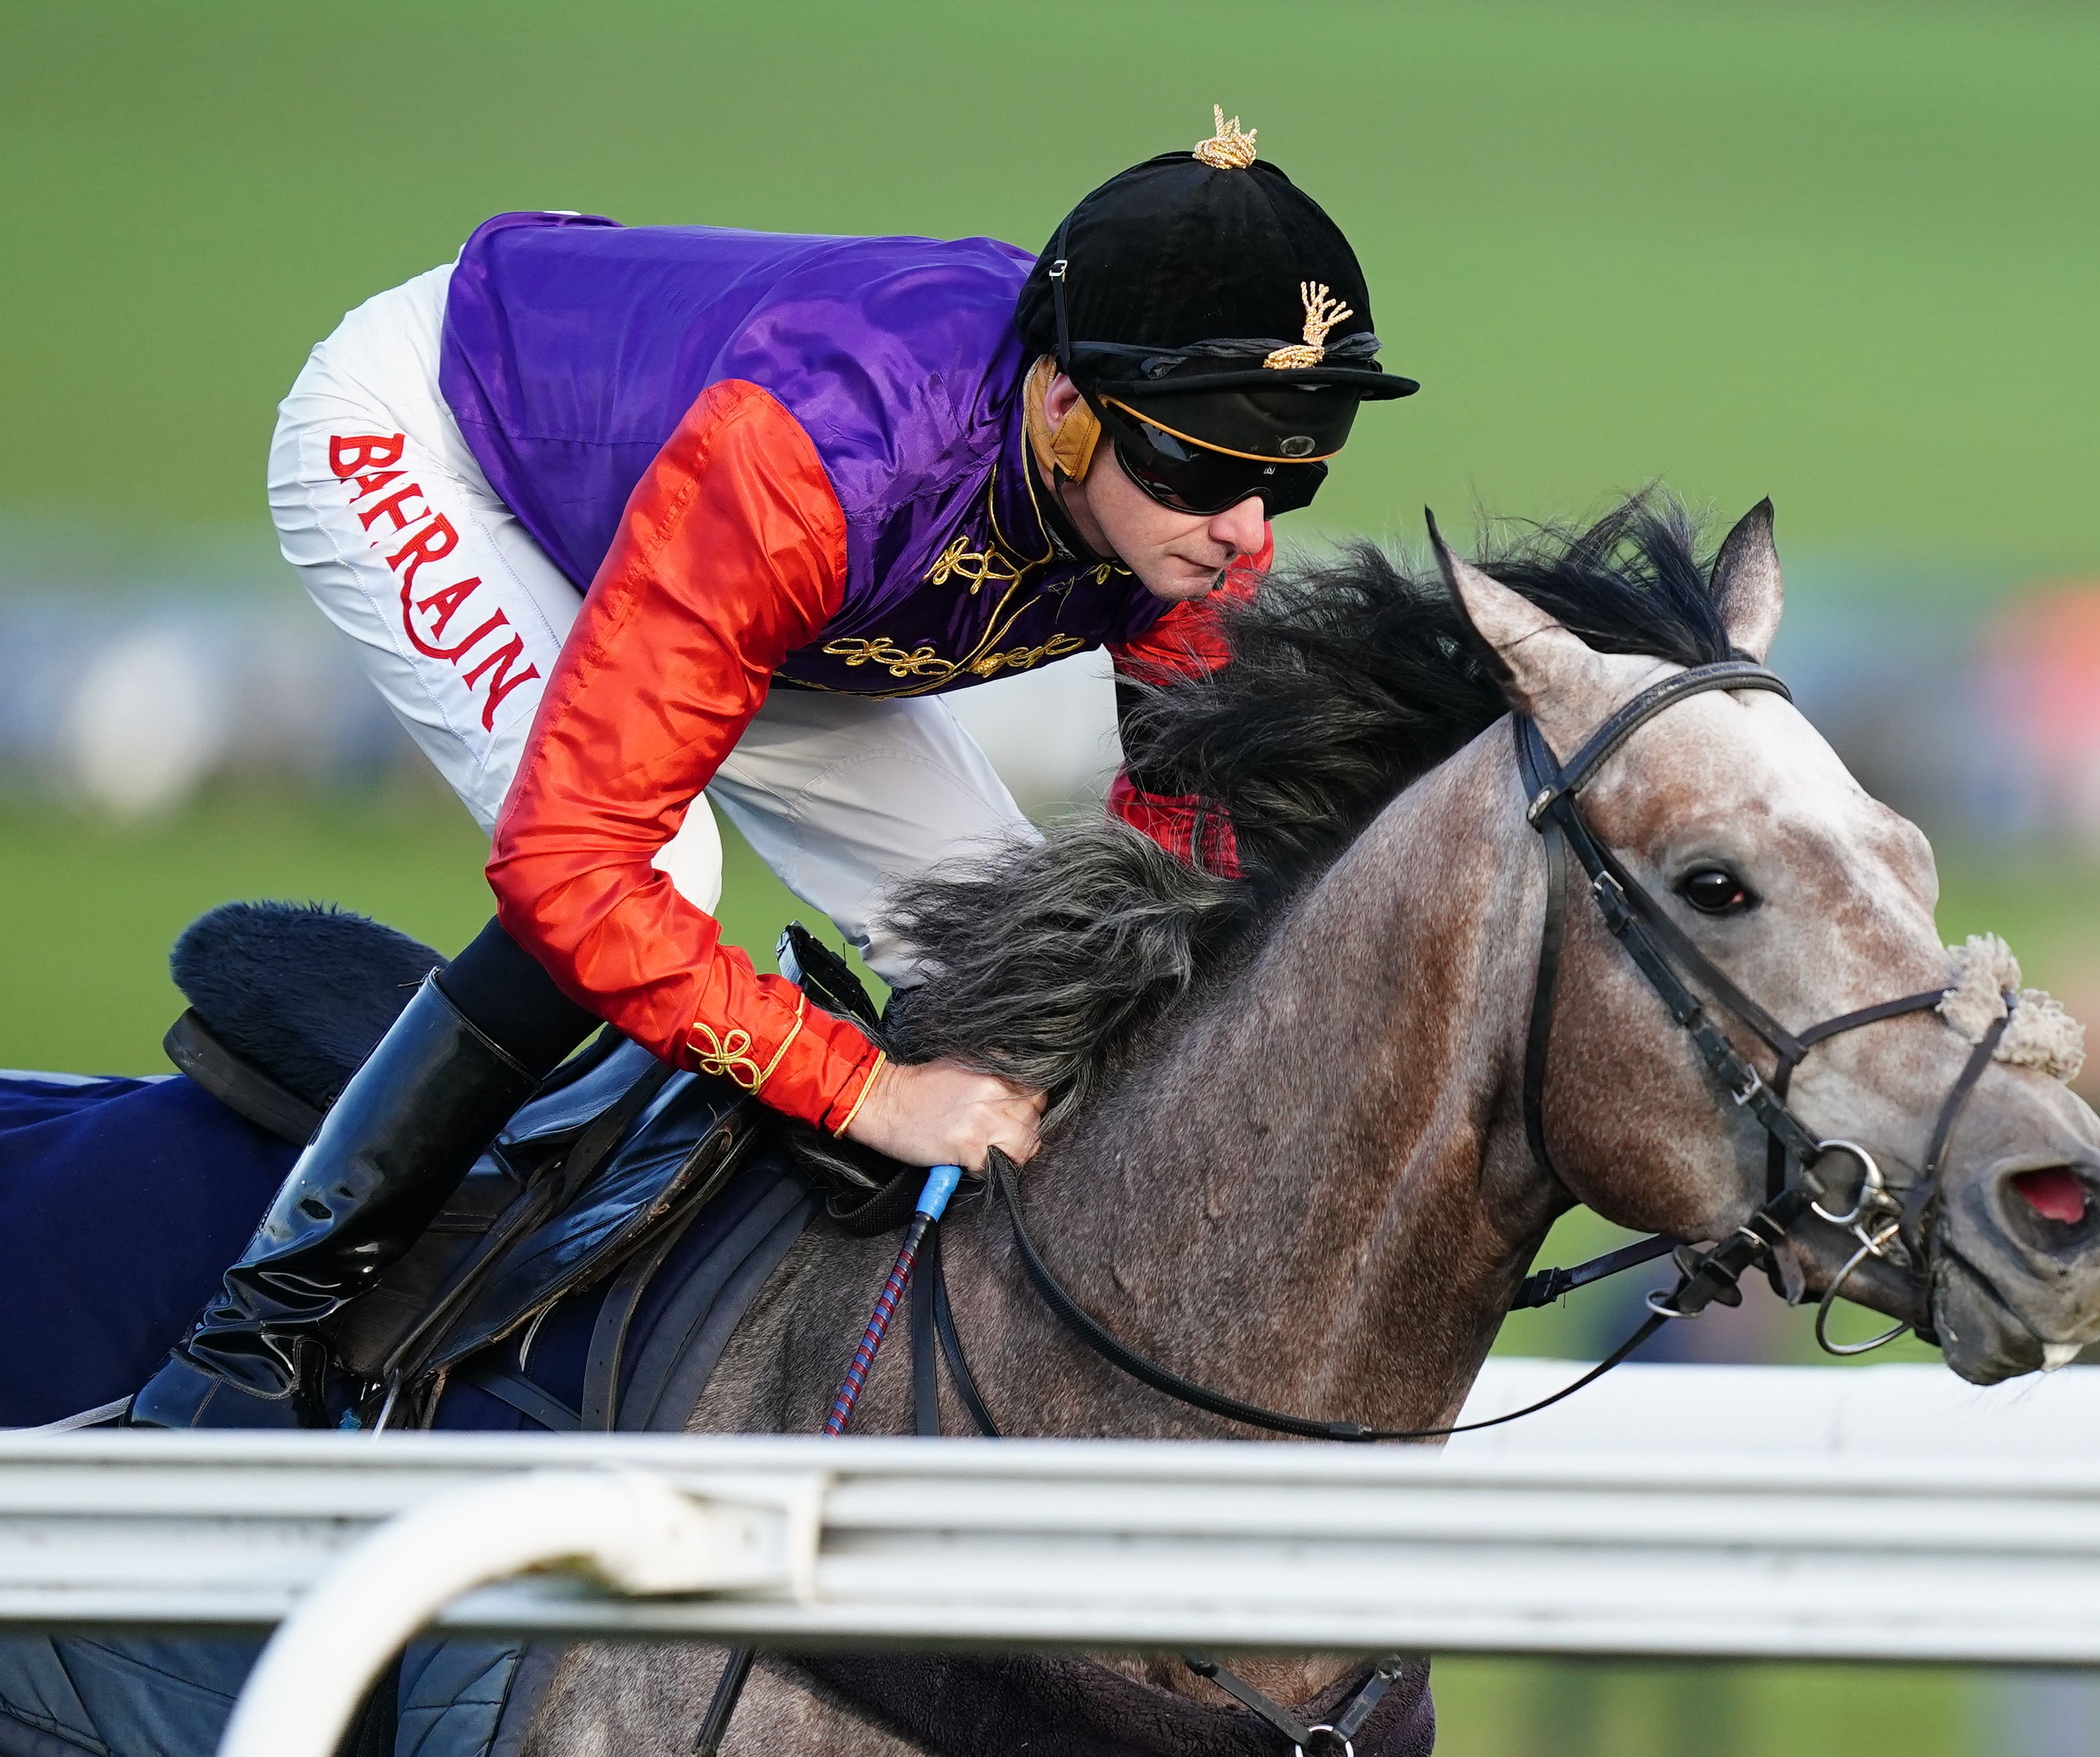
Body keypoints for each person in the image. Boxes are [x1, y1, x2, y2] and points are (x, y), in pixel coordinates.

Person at [131, 107, 1418, 1425]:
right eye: (1203, 466)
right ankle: (254, 1333)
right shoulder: (819, 461)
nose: (1245, 527)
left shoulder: (1192, 523)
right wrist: (872, 1091)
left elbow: (1169, 847)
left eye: (1292, 473)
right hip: (450, 445)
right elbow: (567, 872)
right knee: (656, 867)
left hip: (760, 574)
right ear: (1065, 405)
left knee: (1012, 921)